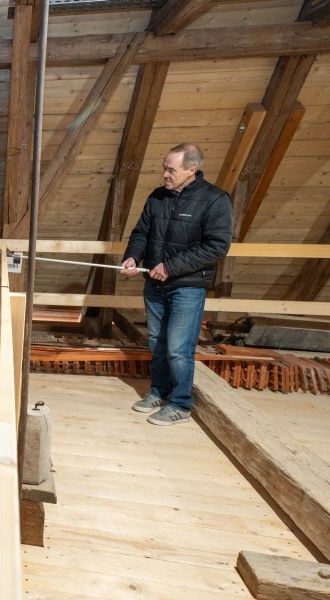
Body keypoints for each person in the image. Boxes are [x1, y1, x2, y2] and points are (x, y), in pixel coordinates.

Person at [120, 144, 232, 426]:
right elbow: (142, 232)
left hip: (188, 287)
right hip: (154, 285)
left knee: (178, 348)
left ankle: (180, 404)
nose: (165, 174)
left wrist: (170, 267)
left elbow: (217, 246)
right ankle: (159, 392)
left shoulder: (215, 200)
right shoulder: (157, 197)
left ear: (191, 170)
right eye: (164, 168)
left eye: (171, 169)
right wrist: (133, 257)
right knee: (157, 343)